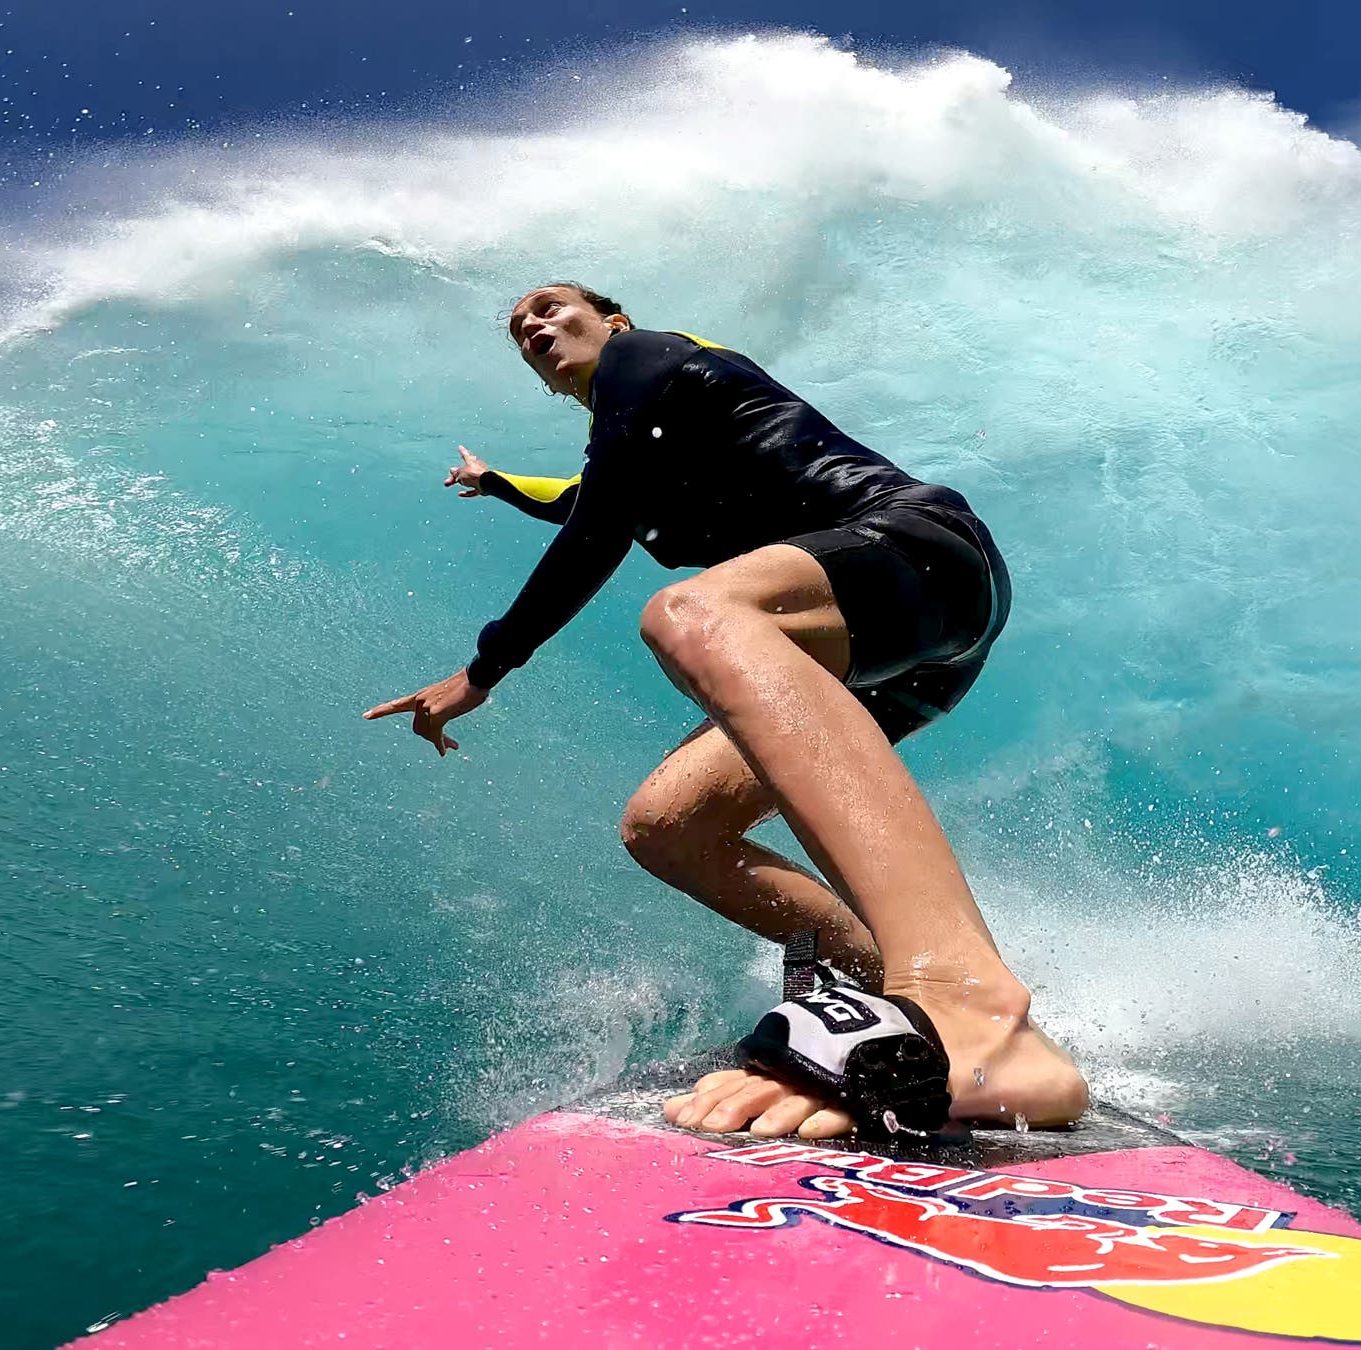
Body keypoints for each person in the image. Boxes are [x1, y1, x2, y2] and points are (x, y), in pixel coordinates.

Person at [365, 283, 1087, 1140]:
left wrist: (486, 667)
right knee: (669, 826)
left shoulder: (650, 359)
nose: (537, 327)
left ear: (615, 322)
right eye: (523, 334)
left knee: (693, 613)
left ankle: (969, 1004)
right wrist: (496, 484)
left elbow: (594, 522)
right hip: (890, 653)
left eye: (553, 308)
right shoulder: (634, 444)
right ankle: (887, 998)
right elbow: (578, 497)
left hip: (919, 555)